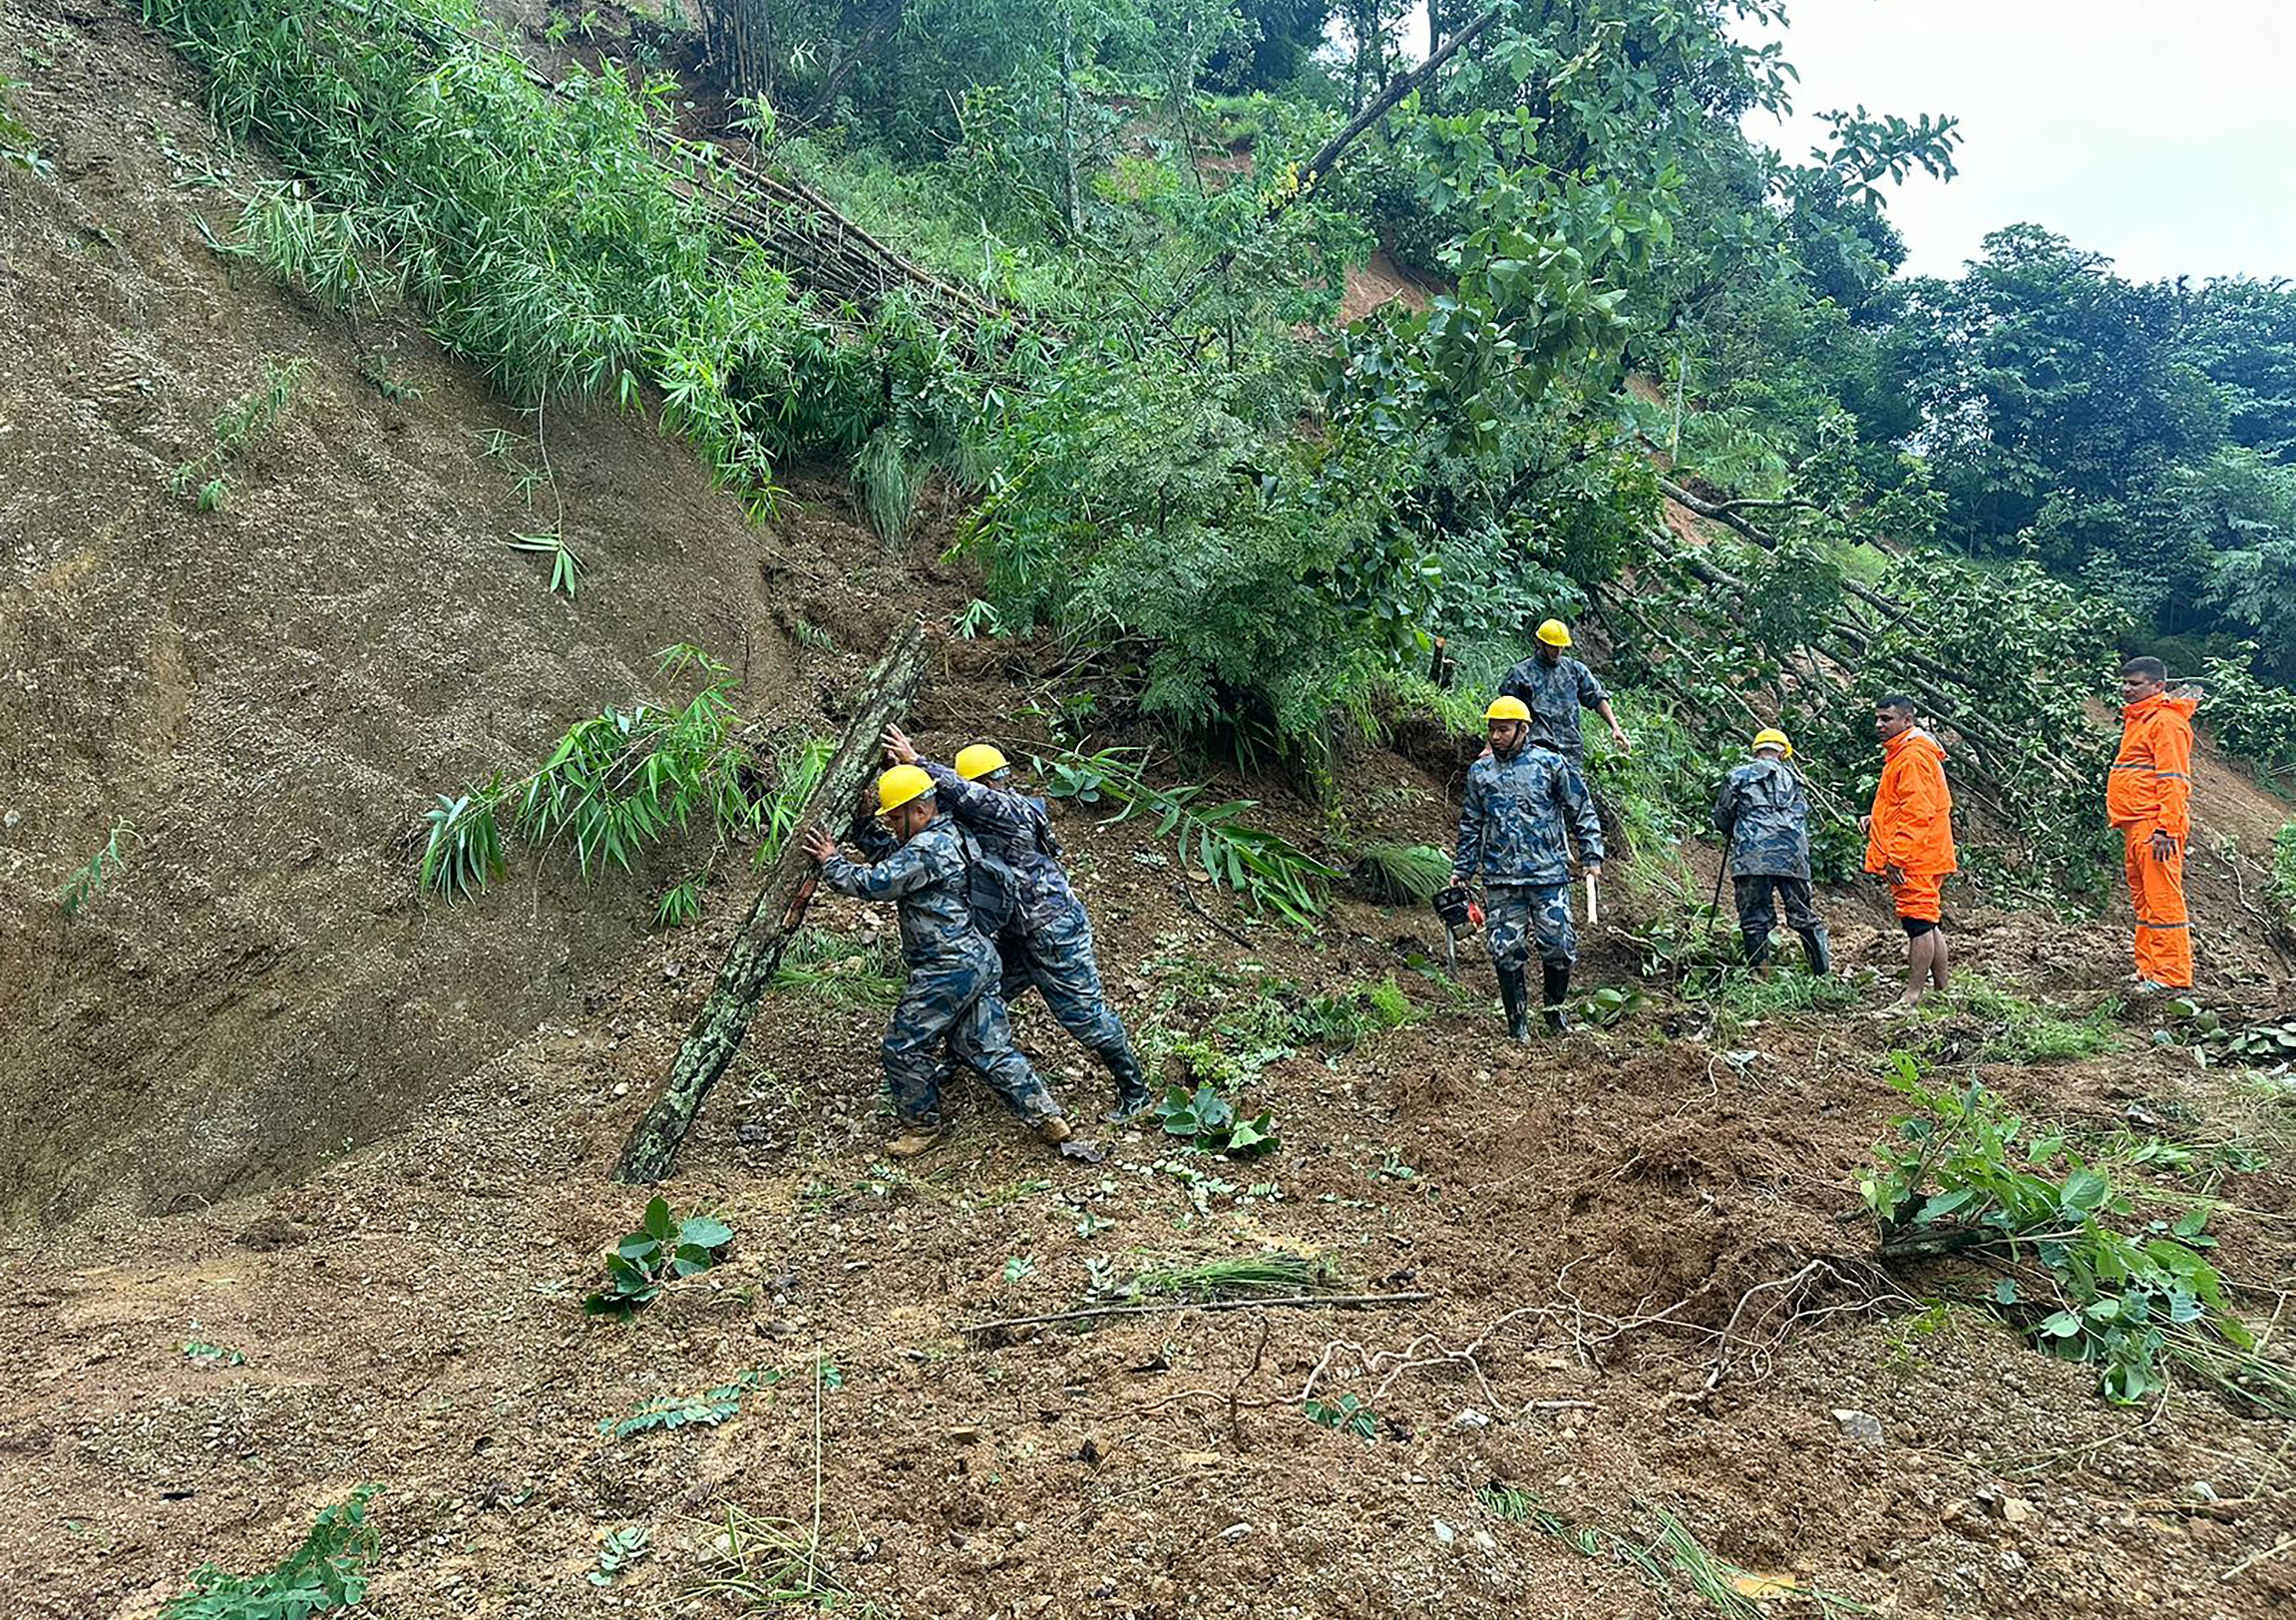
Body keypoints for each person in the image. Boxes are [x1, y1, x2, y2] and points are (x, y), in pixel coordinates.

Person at [881, 725, 1152, 1123]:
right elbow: (931, 814)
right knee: (973, 1001)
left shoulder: (1012, 810)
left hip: (1053, 931)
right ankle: (959, 1064)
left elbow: (969, 797)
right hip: (1015, 934)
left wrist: (917, 760)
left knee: (1084, 1016)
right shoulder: (972, 821)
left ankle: (1135, 1092)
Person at [802, 766, 1074, 1158]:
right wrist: (863, 827)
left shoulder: (928, 848)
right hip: (978, 959)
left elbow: (876, 883)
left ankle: (922, 1127)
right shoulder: (952, 834)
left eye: (896, 818)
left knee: (904, 1045)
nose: (894, 826)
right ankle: (1046, 1115)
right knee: (988, 1047)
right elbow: (893, 857)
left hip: (946, 968)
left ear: (921, 811)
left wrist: (832, 862)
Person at [1452, 696, 1605, 1040]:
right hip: (1501, 878)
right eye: (1492, 730)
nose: (1495, 736)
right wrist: (1462, 869)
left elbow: (1581, 810)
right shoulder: (1481, 774)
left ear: (1523, 730)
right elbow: (1471, 823)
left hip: (1549, 876)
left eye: (1503, 730)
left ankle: (1554, 1015)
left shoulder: (1551, 765)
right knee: (1505, 949)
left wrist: (1591, 856)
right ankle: (1517, 1024)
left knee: (1559, 946)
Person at [1858, 695, 1956, 1012]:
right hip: (1925, 851)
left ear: (1908, 721)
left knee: (1918, 924)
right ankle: (1944, 993)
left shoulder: (1912, 756)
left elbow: (1918, 812)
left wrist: (1897, 857)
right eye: (1877, 718)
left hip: (1915, 856)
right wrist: (1876, 822)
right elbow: (1904, 806)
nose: (1879, 725)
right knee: (1929, 921)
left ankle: (1911, 998)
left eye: (1887, 719)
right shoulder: (1905, 754)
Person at [2107, 656, 2199, 991]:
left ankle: (2172, 976)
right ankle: (2149, 970)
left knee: (2163, 900)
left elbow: (2174, 780)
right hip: (2136, 823)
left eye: (2135, 684)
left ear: (2158, 686)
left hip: (2154, 825)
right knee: (2145, 902)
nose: (2126, 689)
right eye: (2126, 683)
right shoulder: (2140, 720)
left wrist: (2167, 829)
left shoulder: (2167, 723)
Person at [1712, 728, 1831, 975]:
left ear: (1756, 750)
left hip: (1752, 856)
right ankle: (1821, 974)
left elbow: (1722, 817)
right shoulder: (1798, 781)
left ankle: (1761, 977)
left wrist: (1733, 828)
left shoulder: (1737, 776)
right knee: (1803, 914)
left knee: (1754, 917)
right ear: (1784, 753)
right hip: (1794, 857)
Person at [1498, 619, 1632, 763]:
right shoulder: (1521, 674)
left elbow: (1598, 699)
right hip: (1536, 750)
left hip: (1571, 751)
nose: (1558, 651)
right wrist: (1493, 747)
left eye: (1561, 647)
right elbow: (1505, 714)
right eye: (1552, 647)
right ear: (1539, 643)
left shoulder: (1575, 670)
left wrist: (1615, 728)